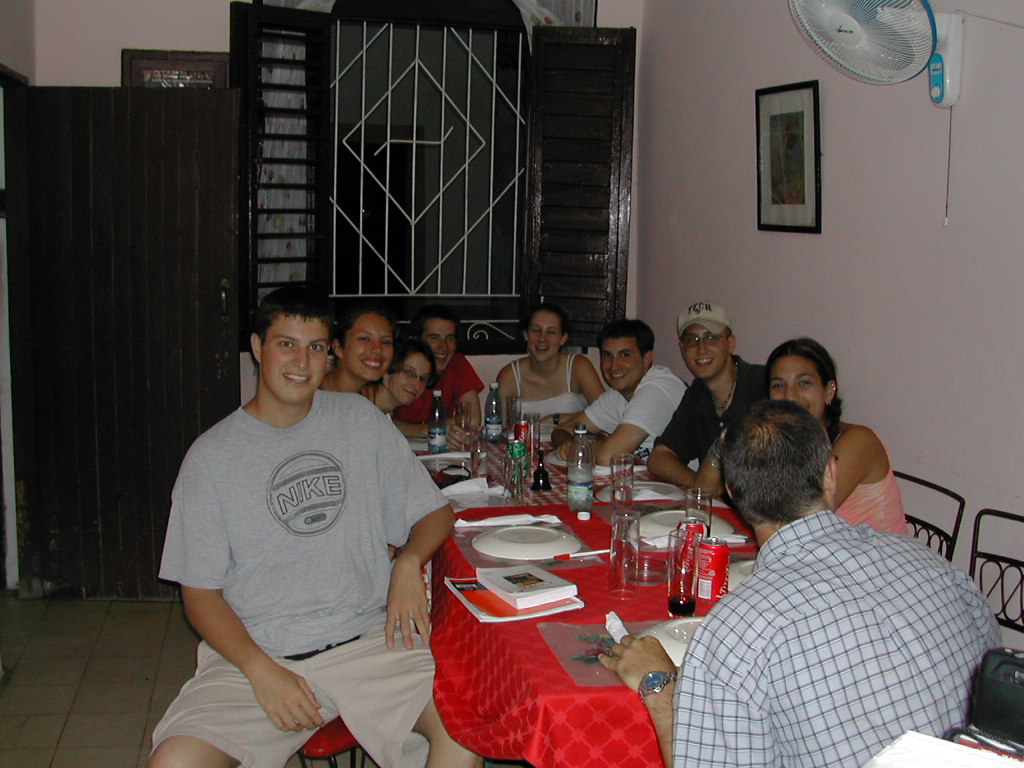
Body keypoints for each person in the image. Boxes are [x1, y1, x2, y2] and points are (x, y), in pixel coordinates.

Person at [148, 287, 481, 768]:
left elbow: (434, 513)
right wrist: (263, 672)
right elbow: (200, 594)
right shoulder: (211, 458)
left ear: (331, 354)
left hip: (369, 638)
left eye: (316, 346)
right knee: (175, 761)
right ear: (258, 347)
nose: (302, 361)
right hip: (257, 650)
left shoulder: (359, 421)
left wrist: (409, 561)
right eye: (286, 343)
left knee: (463, 730)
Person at [601, 400, 999, 768]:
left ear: (735, 491)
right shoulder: (933, 563)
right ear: (830, 472)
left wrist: (660, 688)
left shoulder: (738, 631)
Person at [648, 301, 766, 488]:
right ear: (682, 349)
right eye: (691, 340)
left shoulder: (763, 384)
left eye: (711, 338)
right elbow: (659, 457)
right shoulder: (698, 392)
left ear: (731, 343)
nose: (701, 348)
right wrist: (701, 486)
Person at [551, 319, 685, 465]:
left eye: (625, 355)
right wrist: (570, 443)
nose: (614, 366)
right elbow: (562, 430)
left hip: (684, 485)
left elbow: (607, 457)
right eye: (607, 356)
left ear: (647, 358)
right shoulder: (618, 394)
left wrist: (582, 442)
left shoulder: (657, 389)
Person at [495, 302, 604, 425]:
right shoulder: (509, 375)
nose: (542, 338)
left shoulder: (578, 366)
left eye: (551, 332)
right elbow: (501, 428)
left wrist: (556, 419)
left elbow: (607, 413)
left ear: (563, 338)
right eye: (536, 330)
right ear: (526, 335)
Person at [393, 305, 484, 449]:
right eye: (434, 338)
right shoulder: (399, 365)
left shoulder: (456, 363)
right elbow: (380, 419)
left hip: (437, 447)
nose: (443, 346)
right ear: (417, 339)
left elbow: (472, 419)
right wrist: (428, 429)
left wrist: (434, 429)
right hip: (398, 446)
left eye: (450, 338)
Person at [321, 301, 396, 394]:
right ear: (338, 347)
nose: (378, 349)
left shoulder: (365, 404)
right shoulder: (308, 399)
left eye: (386, 342)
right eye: (365, 339)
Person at [363, 337, 437, 418]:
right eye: (409, 373)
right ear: (387, 370)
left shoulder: (383, 415)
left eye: (423, 379)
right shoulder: (360, 407)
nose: (417, 386)